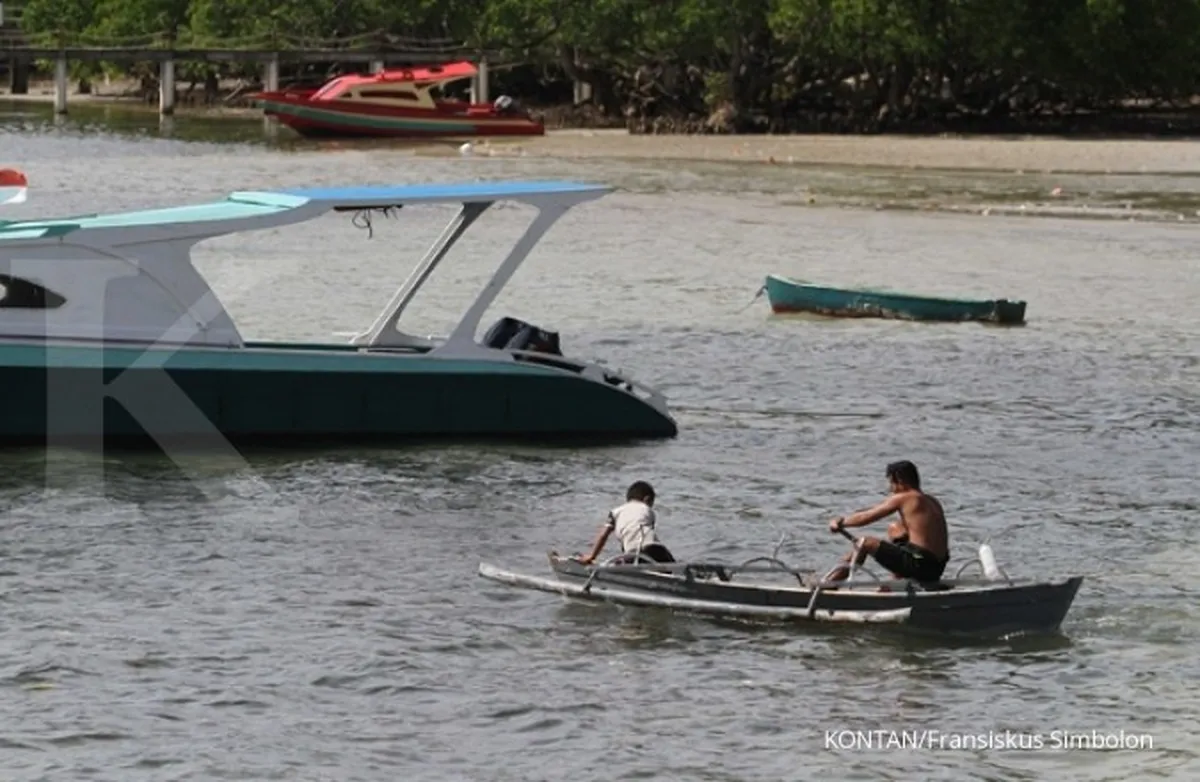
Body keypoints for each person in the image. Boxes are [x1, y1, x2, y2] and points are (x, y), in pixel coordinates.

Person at [825, 460, 949, 583]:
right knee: (895, 528)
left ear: (900, 480)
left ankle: (829, 583)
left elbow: (867, 517)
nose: (890, 488)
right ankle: (898, 580)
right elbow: (874, 509)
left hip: (920, 565)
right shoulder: (932, 500)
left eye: (891, 483)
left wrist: (840, 522)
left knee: (864, 543)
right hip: (937, 568)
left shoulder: (905, 497)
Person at [576, 480, 676, 565]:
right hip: (656, 549)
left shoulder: (615, 512)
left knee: (624, 564)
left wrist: (592, 556)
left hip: (632, 554)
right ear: (647, 499)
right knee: (674, 568)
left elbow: (603, 535)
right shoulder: (648, 510)